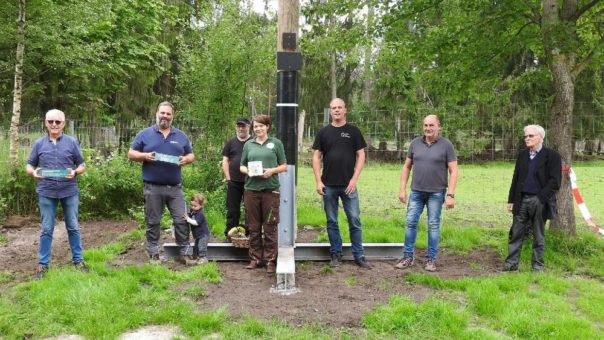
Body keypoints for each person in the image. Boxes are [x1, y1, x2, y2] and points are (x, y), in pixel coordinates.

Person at [128, 101, 195, 265]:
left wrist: (185, 159)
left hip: (175, 188)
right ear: (157, 113)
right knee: (153, 222)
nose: (165, 116)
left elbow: (191, 155)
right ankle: (153, 254)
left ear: (172, 116)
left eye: (168, 114)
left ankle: (184, 254)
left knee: (182, 219)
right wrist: (144, 156)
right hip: (153, 188)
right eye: (162, 113)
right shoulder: (145, 134)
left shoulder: (181, 135)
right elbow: (130, 153)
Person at [26, 109, 88, 279]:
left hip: (69, 191)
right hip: (46, 191)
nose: (54, 124)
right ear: (45, 123)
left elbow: (82, 165)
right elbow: (29, 165)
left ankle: (78, 260)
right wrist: (33, 173)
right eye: (51, 121)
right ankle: (43, 265)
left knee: (73, 226)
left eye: (57, 122)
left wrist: (75, 172)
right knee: (46, 229)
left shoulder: (72, 142)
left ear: (63, 124)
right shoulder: (39, 144)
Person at [312, 98, 370, 269]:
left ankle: (358, 255)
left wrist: (354, 179)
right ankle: (336, 254)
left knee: (354, 220)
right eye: (333, 108)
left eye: (339, 108)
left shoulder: (353, 132)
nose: (336, 110)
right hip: (328, 185)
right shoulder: (324, 132)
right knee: (332, 221)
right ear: (330, 111)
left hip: (348, 185)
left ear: (345, 110)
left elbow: (361, 155)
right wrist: (318, 181)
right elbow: (316, 157)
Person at [396, 114, 458, 272]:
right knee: (410, 222)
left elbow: (454, 170)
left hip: (436, 193)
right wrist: (402, 188)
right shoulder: (415, 143)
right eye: (425, 125)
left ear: (439, 127)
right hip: (416, 191)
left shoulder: (446, 145)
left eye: (431, 125)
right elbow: (407, 167)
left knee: (433, 225)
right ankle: (408, 257)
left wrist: (450, 194)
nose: (428, 128)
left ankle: (431, 259)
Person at [504, 124, 561, 272]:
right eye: (525, 136)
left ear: (540, 137)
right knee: (516, 233)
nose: (527, 138)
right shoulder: (523, 155)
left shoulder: (552, 156)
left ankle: (537, 266)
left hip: (540, 201)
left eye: (531, 136)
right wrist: (511, 200)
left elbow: (555, 181)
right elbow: (515, 178)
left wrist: (540, 198)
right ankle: (511, 264)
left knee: (538, 235)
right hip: (521, 199)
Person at [239, 115, 287, 274]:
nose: (258, 129)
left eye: (261, 126)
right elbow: (242, 166)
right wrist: (249, 172)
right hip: (251, 190)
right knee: (253, 226)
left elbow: (284, 166)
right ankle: (255, 258)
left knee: (270, 226)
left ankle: (270, 260)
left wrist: (271, 171)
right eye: (255, 126)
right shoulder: (248, 145)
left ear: (267, 127)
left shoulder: (276, 143)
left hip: (270, 190)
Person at [221, 117, 252, 241]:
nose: (241, 128)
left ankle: (250, 235)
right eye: (238, 126)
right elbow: (225, 160)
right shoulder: (231, 142)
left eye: (243, 126)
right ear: (236, 127)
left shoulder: (253, 142)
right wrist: (228, 178)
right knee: (232, 210)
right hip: (234, 182)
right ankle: (229, 235)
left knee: (250, 210)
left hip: (251, 182)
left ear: (249, 127)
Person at [183, 193, 210, 265]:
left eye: (195, 206)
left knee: (202, 247)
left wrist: (188, 219)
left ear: (201, 205)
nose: (193, 207)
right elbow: (190, 215)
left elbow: (196, 223)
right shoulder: (193, 211)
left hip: (203, 234)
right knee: (196, 247)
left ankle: (203, 258)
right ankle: (197, 257)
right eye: (191, 205)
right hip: (198, 235)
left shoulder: (200, 213)